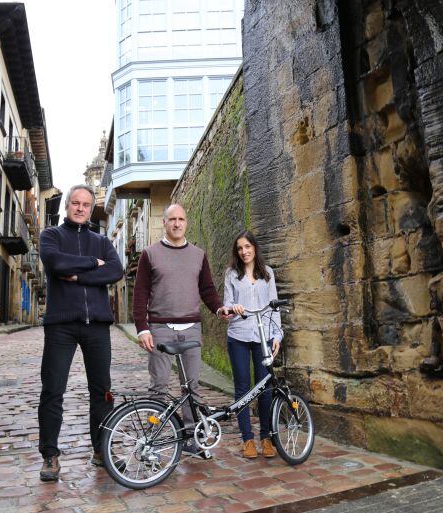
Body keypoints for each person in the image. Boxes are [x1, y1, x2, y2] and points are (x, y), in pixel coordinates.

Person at [37, 185, 124, 481]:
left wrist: (77, 276)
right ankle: (50, 455)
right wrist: (91, 265)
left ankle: (101, 450)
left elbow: (115, 271)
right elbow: (55, 262)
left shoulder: (101, 241)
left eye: (86, 204)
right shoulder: (51, 236)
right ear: (67, 206)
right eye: (75, 203)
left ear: (90, 209)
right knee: (53, 391)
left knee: (102, 392)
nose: (80, 208)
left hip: (97, 324)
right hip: (61, 324)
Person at [132, 203, 230, 458]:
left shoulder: (198, 255)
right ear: (164, 223)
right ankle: (154, 441)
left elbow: (207, 289)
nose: (177, 223)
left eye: (181, 219)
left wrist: (219, 309)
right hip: (160, 327)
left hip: (191, 328)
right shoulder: (149, 254)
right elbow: (140, 293)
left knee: (192, 388)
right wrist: (142, 328)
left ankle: (191, 438)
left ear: (186, 223)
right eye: (172, 219)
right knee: (159, 387)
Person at [223, 230, 283, 459]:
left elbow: (274, 307)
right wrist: (233, 308)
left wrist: (277, 336)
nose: (244, 251)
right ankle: (247, 438)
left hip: (264, 336)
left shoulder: (267, 274)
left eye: (247, 247)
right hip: (238, 335)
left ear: (254, 248)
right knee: (242, 388)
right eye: (240, 248)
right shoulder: (231, 274)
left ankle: (266, 437)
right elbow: (226, 304)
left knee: (265, 388)